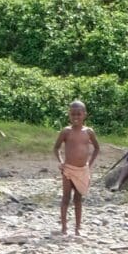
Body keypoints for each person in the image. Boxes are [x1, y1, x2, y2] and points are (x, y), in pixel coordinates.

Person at [53, 100, 102, 237]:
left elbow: (97, 148)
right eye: (73, 114)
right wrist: (61, 162)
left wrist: (89, 165)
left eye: (79, 114)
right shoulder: (66, 132)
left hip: (82, 171)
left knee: (78, 199)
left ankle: (78, 227)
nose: (76, 117)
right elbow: (56, 148)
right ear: (69, 114)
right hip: (68, 169)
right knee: (66, 198)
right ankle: (64, 227)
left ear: (84, 115)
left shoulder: (89, 132)